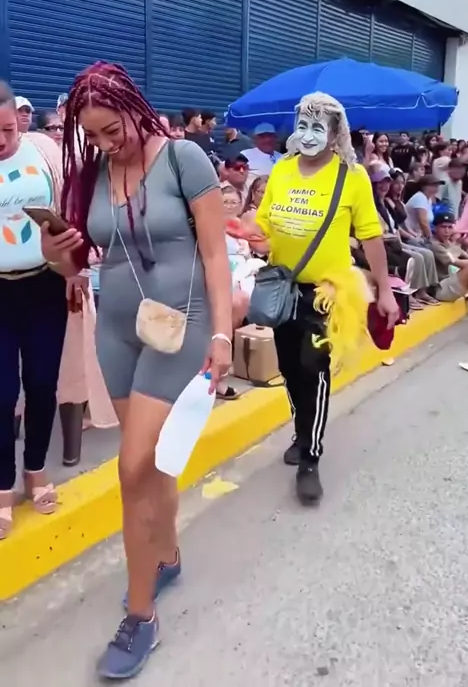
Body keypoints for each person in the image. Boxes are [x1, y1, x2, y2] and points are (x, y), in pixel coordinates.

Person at [41, 62, 232, 680]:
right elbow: (78, 267)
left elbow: (215, 254)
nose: (106, 144)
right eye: (92, 135)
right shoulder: (92, 173)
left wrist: (223, 334)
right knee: (152, 464)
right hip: (118, 332)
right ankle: (165, 555)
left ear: (133, 108)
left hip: (180, 326)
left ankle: (142, 616)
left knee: (131, 469)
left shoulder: (182, 160)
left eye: (112, 129)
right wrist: (56, 255)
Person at [249, 93, 398, 503]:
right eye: (303, 125)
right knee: (289, 368)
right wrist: (250, 234)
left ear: (335, 135)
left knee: (313, 368)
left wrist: (385, 290)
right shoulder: (282, 170)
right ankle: (302, 432)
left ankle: (310, 457)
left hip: (327, 294)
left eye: (318, 127)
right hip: (283, 289)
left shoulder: (352, 176)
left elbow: (370, 236)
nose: (308, 135)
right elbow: (264, 224)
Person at [0, 81, 90, 538]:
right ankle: (2, 485)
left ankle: (35, 469)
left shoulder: (43, 153)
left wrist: (73, 267)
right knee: (0, 394)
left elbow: (70, 211)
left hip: (43, 287)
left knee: (41, 385)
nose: (1, 140)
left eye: (6, 129)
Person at [372, 166, 439, 307]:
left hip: (396, 241)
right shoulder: (373, 205)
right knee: (417, 257)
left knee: (427, 253)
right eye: (380, 183)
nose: (384, 186)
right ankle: (410, 295)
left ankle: (423, 291)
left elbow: (396, 227)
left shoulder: (387, 203)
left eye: (387, 183)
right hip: (386, 244)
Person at [431, 212, 468, 320]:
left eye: (450, 227)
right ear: (435, 228)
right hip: (440, 289)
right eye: (443, 227)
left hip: (450, 283)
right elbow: (457, 262)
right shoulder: (435, 245)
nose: (447, 231)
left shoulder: (449, 242)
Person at [405, 175, 444, 240]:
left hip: (419, 236)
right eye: (433, 185)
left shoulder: (428, 199)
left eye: (437, 186)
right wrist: (431, 239)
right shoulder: (420, 197)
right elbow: (423, 222)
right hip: (411, 236)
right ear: (423, 186)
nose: (436, 188)